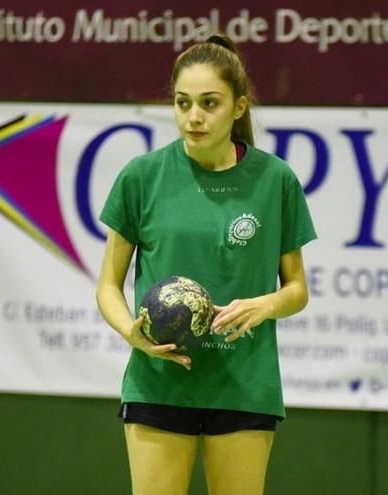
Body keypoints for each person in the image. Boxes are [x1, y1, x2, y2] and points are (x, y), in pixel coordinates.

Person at [96, 34, 317, 495]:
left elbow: (296, 290)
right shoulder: (142, 176)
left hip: (243, 382)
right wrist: (130, 332)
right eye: (182, 103)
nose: (193, 116)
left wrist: (264, 306)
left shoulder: (275, 180)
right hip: (159, 381)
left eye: (209, 103)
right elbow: (108, 288)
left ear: (239, 107)